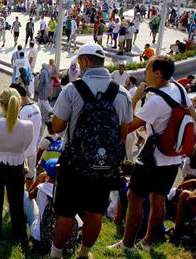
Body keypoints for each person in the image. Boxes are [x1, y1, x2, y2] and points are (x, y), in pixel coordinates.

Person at [50, 43, 132, 259]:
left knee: (66, 213)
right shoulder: (122, 93)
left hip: (74, 163)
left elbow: (57, 127)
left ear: (85, 62)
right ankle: (84, 253)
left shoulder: (72, 89)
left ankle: (56, 253)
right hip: (104, 166)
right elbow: (123, 133)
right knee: (95, 212)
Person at [109, 56, 196, 251]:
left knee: (134, 197)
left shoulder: (157, 102)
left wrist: (136, 98)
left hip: (153, 156)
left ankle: (127, 244)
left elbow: (127, 128)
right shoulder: (180, 90)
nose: (144, 74)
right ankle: (148, 241)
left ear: (157, 73)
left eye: (147, 69)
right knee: (159, 199)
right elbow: (194, 119)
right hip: (173, 155)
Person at [0, 88, 33, 243]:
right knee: (16, 202)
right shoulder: (28, 126)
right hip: (16, 165)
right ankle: (20, 234)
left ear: (0, 104)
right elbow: (26, 146)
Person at [11, 83, 42, 190]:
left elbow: (17, 134)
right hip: (33, 150)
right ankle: (29, 202)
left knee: (18, 182)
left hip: (22, 153)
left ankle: (18, 203)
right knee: (30, 178)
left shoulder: (22, 111)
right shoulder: (37, 108)